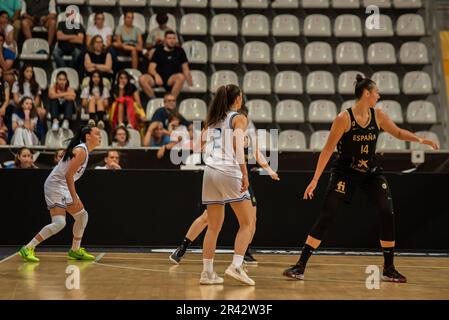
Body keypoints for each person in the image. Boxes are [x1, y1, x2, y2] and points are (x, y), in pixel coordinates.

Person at [282, 75, 439, 283]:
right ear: (367, 93)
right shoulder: (344, 119)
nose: (379, 95)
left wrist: (422, 139)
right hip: (345, 173)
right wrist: (315, 179)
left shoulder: (379, 115)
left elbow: (399, 133)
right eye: (376, 92)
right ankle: (300, 265)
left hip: (371, 173)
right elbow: (328, 150)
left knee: (387, 211)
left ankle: (389, 268)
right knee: (328, 214)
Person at [170, 105, 279, 266]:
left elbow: (257, 154)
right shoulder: (225, 129)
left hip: (234, 177)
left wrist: (269, 169)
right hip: (231, 176)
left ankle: (244, 253)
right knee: (213, 218)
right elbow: (199, 145)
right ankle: (183, 248)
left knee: (249, 218)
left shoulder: (247, 132)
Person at [197, 84, 257, 286]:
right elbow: (237, 146)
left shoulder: (212, 120)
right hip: (228, 172)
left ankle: (207, 273)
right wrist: (245, 173)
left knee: (213, 227)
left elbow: (200, 145)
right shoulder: (239, 118)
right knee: (248, 223)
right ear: (238, 99)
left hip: (209, 172)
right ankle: (236, 265)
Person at [19, 125, 102, 262]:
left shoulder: (83, 150)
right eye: (97, 134)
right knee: (59, 223)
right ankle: (28, 247)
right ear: (88, 136)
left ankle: (75, 250)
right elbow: (68, 175)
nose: (100, 136)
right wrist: (74, 197)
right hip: (55, 186)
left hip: (63, 186)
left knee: (82, 216)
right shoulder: (81, 150)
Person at [139, 31, 192, 99]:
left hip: (171, 79)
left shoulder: (180, 51)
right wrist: (156, 75)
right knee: (142, 79)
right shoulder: (158, 50)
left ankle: (171, 101)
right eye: (169, 38)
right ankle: (154, 100)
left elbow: (186, 69)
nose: (172, 41)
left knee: (181, 77)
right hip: (158, 79)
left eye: (173, 38)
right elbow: (151, 68)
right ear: (165, 39)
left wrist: (190, 85)